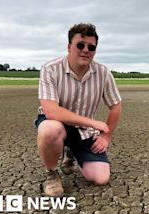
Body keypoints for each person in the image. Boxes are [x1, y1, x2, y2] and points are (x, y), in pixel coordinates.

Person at [35, 23, 122, 197]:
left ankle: (71, 151)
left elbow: (116, 106)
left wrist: (106, 136)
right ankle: (51, 173)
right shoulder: (50, 69)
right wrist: (93, 122)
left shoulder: (103, 73)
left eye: (91, 47)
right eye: (80, 45)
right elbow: (52, 111)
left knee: (100, 178)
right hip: (56, 123)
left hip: (84, 132)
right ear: (69, 47)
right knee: (50, 129)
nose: (85, 50)